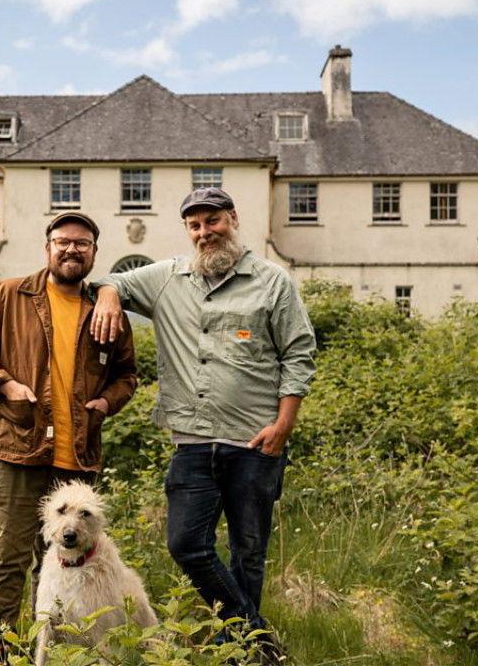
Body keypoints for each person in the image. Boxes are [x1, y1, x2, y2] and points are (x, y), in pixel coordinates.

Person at [90, 187, 316, 658]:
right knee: (186, 543)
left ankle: (240, 652)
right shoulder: (167, 278)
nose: (204, 232)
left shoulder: (273, 281)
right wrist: (110, 296)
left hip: (256, 443)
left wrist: (283, 426)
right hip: (192, 444)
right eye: (194, 225)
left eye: (212, 221)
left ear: (232, 218)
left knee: (248, 551)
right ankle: (257, 636)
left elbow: (298, 353)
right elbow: (113, 280)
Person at [0, 212, 137, 665]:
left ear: (94, 253)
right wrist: (4, 384)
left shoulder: (105, 309)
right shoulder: (7, 295)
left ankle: (51, 654)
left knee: (60, 563)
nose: (72, 249)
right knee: (8, 559)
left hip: (76, 456)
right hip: (15, 449)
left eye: (82, 243)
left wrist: (106, 403)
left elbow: (127, 375)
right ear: (48, 248)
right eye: (63, 241)